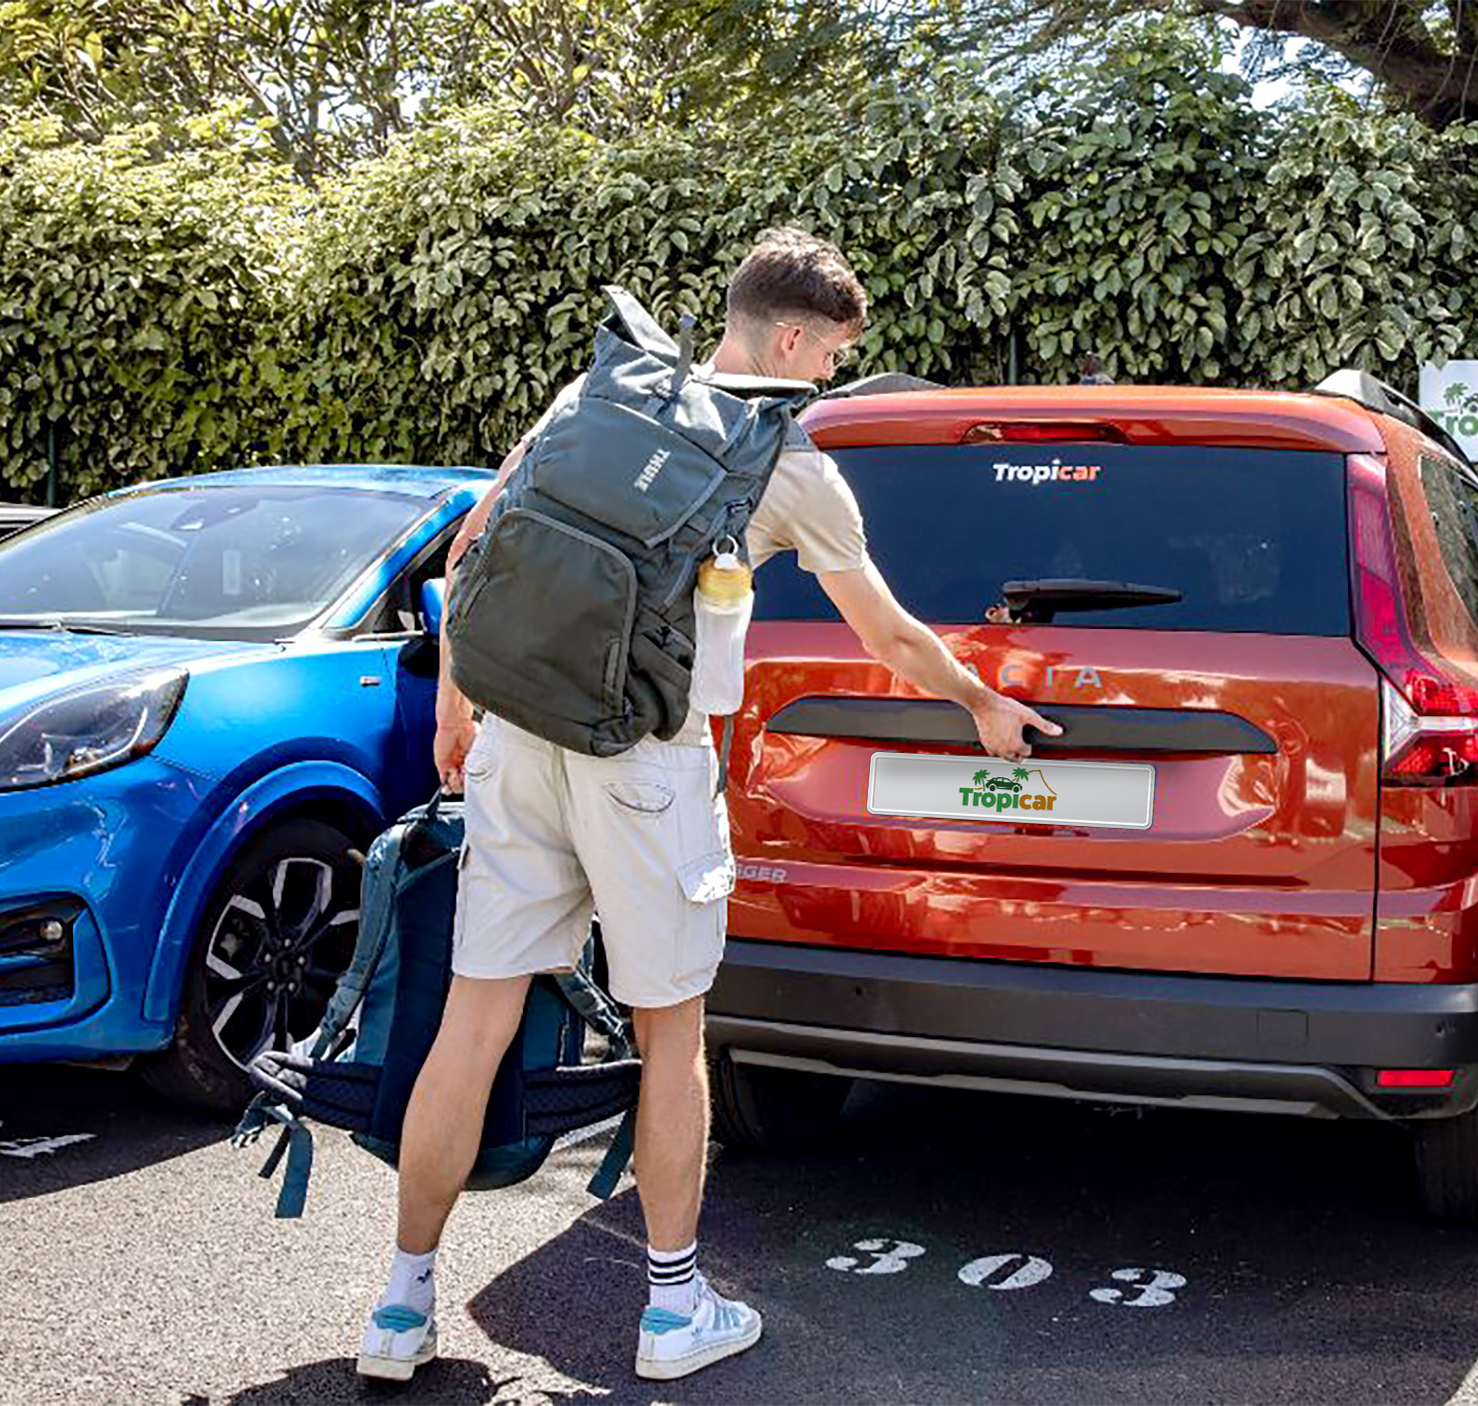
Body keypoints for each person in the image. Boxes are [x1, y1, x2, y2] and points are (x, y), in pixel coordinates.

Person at [354, 227, 1060, 1384]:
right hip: (648, 763)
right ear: (789, 340)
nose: (828, 374)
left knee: (472, 1021)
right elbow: (886, 635)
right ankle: (673, 1306)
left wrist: (454, 708)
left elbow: (472, 549)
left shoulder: (599, 392)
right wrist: (982, 701)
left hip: (516, 736)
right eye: (828, 353)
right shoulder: (791, 465)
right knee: (671, 1033)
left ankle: (398, 1304)